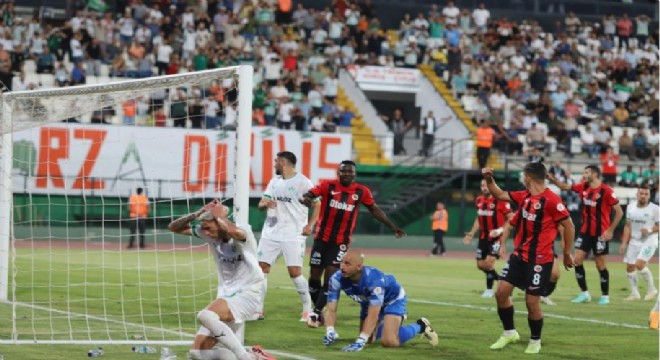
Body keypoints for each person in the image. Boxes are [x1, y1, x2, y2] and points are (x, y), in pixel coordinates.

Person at [482, 163, 575, 354]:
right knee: (501, 293)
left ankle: (535, 340)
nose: (522, 178)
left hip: (540, 259)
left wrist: (566, 254)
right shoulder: (524, 196)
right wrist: (489, 179)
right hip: (520, 255)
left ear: (529, 177)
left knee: (531, 301)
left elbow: (570, 226)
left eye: (524, 176)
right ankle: (509, 333)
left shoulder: (551, 200)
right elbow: (499, 194)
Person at [300, 160, 406, 327]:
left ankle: (316, 312)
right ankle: (318, 308)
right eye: (344, 171)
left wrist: (392, 226)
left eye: (351, 172)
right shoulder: (328, 186)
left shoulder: (361, 191)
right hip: (322, 238)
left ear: (355, 174)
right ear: (338, 173)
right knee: (314, 277)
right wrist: (306, 198)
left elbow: (374, 209)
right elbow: (311, 194)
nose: (348, 174)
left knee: (330, 276)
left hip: (341, 242)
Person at [168, 200, 275, 360]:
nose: (206, 233)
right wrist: (197, 214)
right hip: (227, 296)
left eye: (209, 228)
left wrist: (219, 217)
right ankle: (256, 357)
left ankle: (246, 357)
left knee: (205, 316)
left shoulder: (242, 232)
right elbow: (173, 227)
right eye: (204, 229)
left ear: (219, 223)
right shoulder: (209, 233)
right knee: (198, 354)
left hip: (248, 293)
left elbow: (232, 230)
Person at [322, 250, 438, 351]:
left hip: (392, 300)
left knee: (389, 342)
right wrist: (330, 330)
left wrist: (360, 341)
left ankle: (420, 325)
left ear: (359, 267)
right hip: (368, 302)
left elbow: (373, 315)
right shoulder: (336, 279)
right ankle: (389, 326)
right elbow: (331, 309)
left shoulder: (373, 280)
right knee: (368, 340)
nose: (342, 267)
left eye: (347, 264)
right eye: (342, 262)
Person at [255, 152, 320, 321]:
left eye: (276, 161)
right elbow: (261, 203)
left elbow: (317, 204)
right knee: (261, 269)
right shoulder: (274, 181)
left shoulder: (303, 182)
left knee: (295, 272)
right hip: (271, 233)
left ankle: (307, 310)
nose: (274, 164)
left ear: (283, 162)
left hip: (294, 234)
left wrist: (310, 225)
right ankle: (257, 309)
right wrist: (265, 203)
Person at [547, 165, 623, 305]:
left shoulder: (606, 191)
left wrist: (610, 230)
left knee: (600, 264)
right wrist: (552, 179)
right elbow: (564, 187)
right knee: (577, 260)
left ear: (595, 174)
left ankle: (605, 295)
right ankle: (584, 293)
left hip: (600, 234)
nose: (584, 175)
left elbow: (619, 212)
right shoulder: (583, 187)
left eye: (586, 172)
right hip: (585, 232)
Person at [463, 180, 512, 298]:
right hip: (483, 238)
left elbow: (511, 218)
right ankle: (504, 282)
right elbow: (478, 218)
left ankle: (489, 290)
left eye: (486, 185)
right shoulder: (479, 200)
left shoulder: (500, 201)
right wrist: (471, 233)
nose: (484, 188)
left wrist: (500, 231)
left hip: (496, 238)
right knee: (481, 265)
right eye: (482, 185)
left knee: (489, 264)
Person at [619, 185, 659, 301]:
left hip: (650, 240)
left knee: (640, 264)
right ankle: (634, 293)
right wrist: (623, 243)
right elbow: (627, 226)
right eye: (641, 193)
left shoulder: (655, 209)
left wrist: (650, 230)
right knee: (630, 267)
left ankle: (652, 289)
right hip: (634, 241)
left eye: (646, 194)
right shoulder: (630, 208)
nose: (643, 196)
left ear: (649, 196)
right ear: (637, 194)